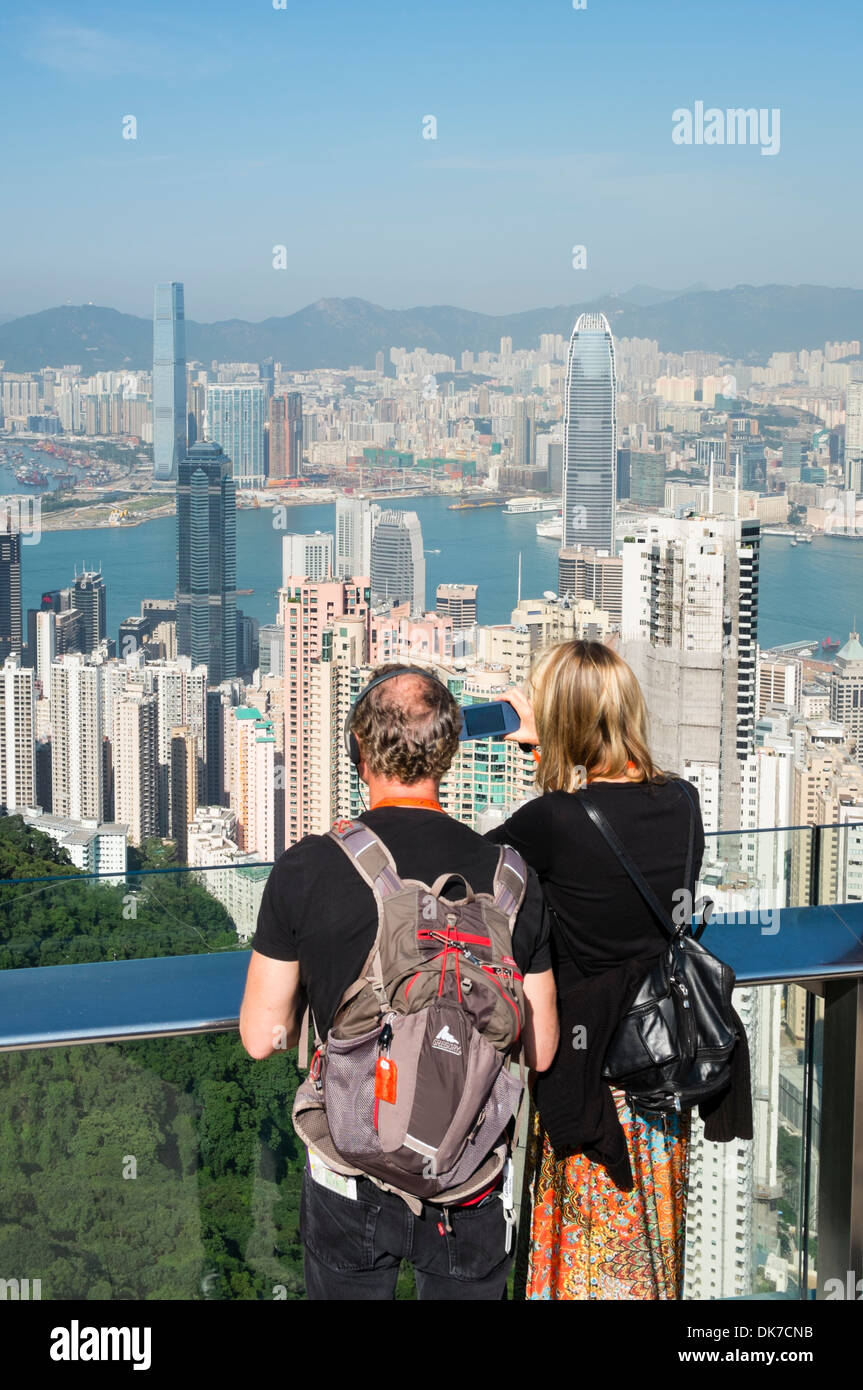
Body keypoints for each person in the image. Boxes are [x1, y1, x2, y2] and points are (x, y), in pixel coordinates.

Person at [240, 664, 558, 1301]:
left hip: (349, 1172)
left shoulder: (310, 867)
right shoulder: (511, 880)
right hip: (467, 1179)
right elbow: (541, 1049)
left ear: (360, 751)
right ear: (448, 751)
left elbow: (258, 1036)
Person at [486, 638, 711, 1301]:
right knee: (649, 1243)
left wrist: (539, 753)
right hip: (660, 1066)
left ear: (563, 721)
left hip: (584, 1066)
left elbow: (459, 877)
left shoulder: (551, 819)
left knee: (586, 1259)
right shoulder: (685, 801)